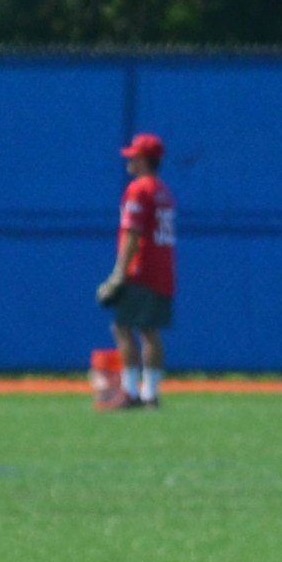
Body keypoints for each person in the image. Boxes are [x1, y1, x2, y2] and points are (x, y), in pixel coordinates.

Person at [94, 132, 175, 411]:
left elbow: (132, 233)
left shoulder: (139, 189)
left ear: (143, 160)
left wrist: (118, 274)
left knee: (123, 327)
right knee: (150, 330)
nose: (129, 160)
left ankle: (130, 392)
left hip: (142, 270)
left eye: (133, 156)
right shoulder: (163, 190)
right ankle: (150, 394)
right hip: (163, 268)